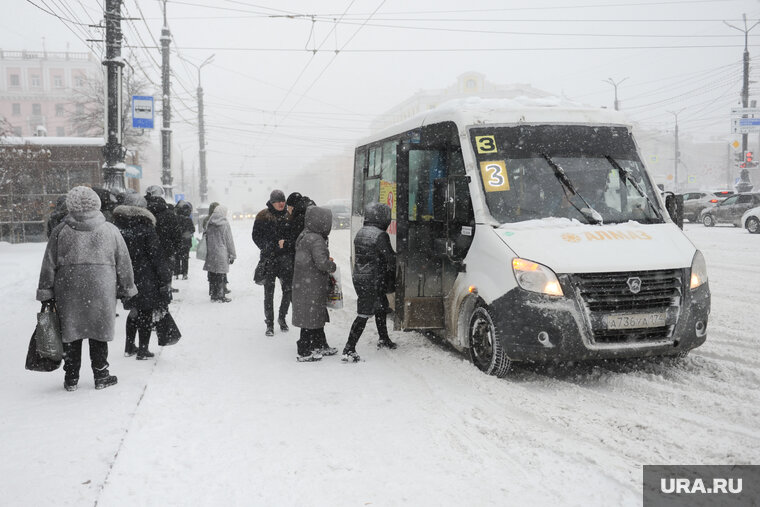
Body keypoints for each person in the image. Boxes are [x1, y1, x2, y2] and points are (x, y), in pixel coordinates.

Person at [36, 186, 137, 391]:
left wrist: (46, 292)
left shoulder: (60, 231)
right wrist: (127, 288)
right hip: (101, 288)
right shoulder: (110, 230)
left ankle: (71, 378)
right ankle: (101, 374)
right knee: (99, 332)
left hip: (68, 288)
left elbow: (48, 264)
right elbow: (124, 262)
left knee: (71, 332)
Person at [113, 193, 172, 360]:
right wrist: (164, 277)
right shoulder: (146, 228)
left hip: (126, 275)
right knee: (145, 312)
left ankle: (129, 346)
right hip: (146, 276)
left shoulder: (117, 228)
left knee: (133, 311)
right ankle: (143, 349)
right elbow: (156, 255)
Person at [342, 203, 397, 362]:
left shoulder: (361, 232)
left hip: (361, 276)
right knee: (363, 314)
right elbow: (389, 258)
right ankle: (349, 348)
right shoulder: (380, 235)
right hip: (373, 279)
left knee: (381, 306)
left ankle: (383, 338)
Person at [285, 192, 338, 355]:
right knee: (310, 319)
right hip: (312, 285)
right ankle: (304, 350)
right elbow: (322, 263)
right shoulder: (316, 239)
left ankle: (320, 345)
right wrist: (332, 266)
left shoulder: (306, 234)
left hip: (306, 283)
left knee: (313, 317)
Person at [252, 189, 292, 336]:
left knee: (287, 291)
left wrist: (286, 244)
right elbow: (256, 236)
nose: (281, 204)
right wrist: (267, 246)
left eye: (283, 201)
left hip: (285, 259)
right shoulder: (263, 216)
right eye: (277, 201)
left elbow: (293, 235)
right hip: (269, 259)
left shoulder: (289, 215)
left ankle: (282, 318)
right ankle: (269, 324)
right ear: (272, 202)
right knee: (269, 293)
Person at [145, 185, 182, 282]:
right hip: (166, 249)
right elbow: (176, 234)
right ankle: (166, 290)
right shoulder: (169, 214)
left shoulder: (144, 212)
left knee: (150, 277)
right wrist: (175, 248)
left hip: (147, 251)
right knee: (165, 277)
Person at [204, 204, 236, 302]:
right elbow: (229, 240)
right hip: (221, 251)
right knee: (221, 275)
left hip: (211, 252)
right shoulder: (224, 223)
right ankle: (221, 295)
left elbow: (206, 236)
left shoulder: (209, 222)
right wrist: (232, 254)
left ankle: (214, 295)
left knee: (213, 274)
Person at [174, 200, 195, 280]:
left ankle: (176, 273)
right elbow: (193, 229)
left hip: (177, 241)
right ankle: (184, 273)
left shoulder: (176, 218)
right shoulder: (188, 219)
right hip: (186, 241)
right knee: (185, 258)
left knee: (177, 257)